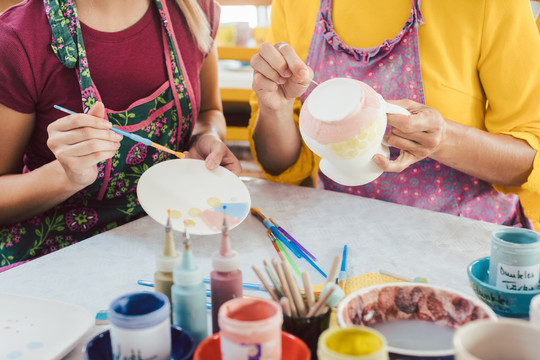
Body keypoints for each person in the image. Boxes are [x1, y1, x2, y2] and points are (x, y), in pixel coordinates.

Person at [248, 0, 540, 231]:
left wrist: (444, 139)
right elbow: (280, 165)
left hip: (463, 243)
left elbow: (526, 162)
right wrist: (277, 109)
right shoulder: (293, 4)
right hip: (344, 235)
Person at [0, 0, 241, 269]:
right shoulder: (18, 39)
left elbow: (210, 111)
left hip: (174, 238)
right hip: (62, 259)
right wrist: (65, 177)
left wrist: (205, 137)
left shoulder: (195, 9)